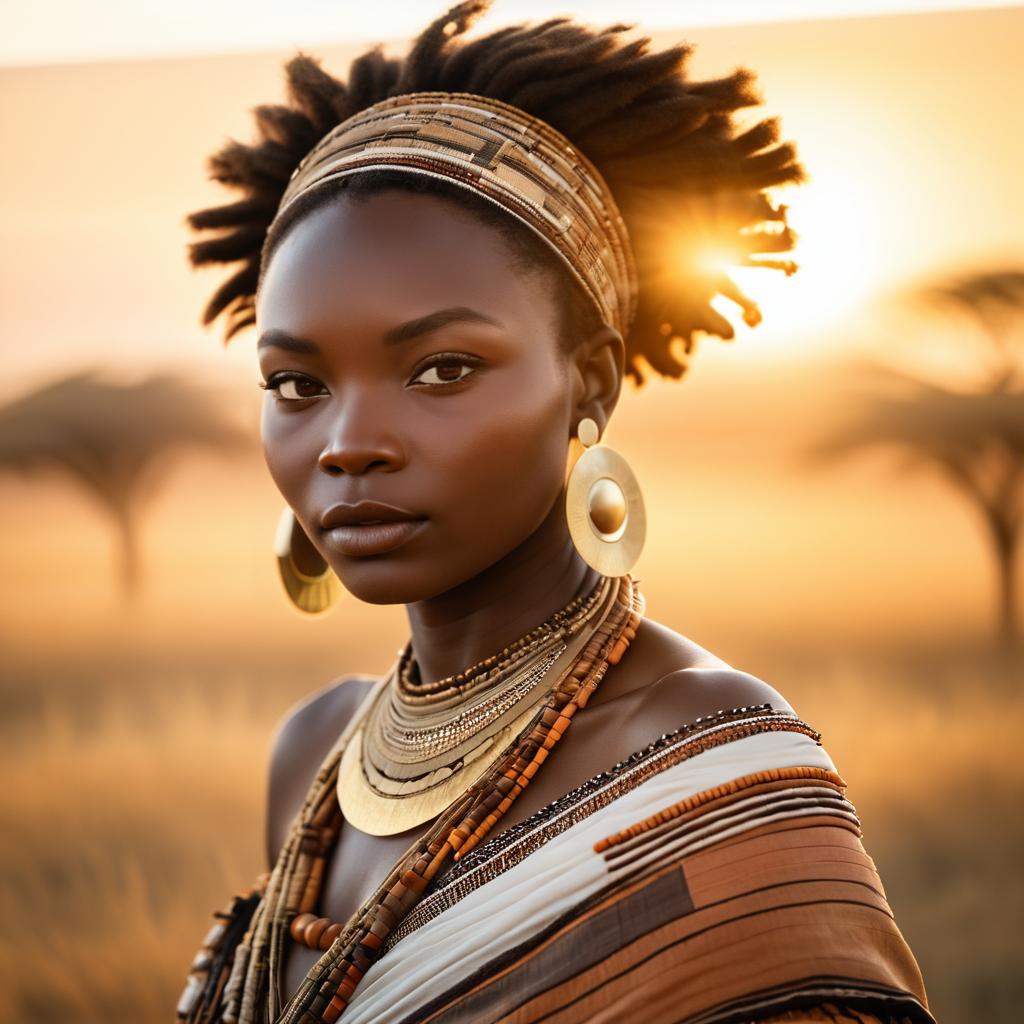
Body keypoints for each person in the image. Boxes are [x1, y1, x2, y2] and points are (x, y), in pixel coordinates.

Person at [175, 3, 934, 1022]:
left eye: (442, 368)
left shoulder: (702, 758)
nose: (347, 440)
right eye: (297, 383)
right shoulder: (313, 755)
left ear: (589, 384)